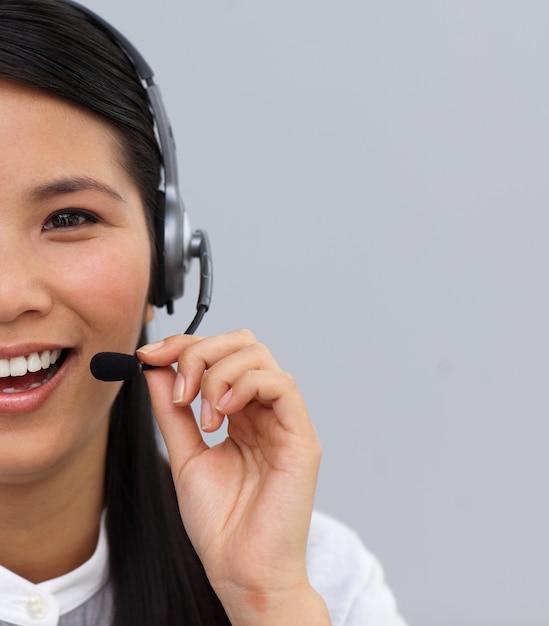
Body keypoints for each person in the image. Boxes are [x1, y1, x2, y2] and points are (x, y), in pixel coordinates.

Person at [0, 1, 407, 624]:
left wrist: (266, 602)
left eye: (69, 219)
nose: (8, 296)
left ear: (165, 262)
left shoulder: (317, 580)